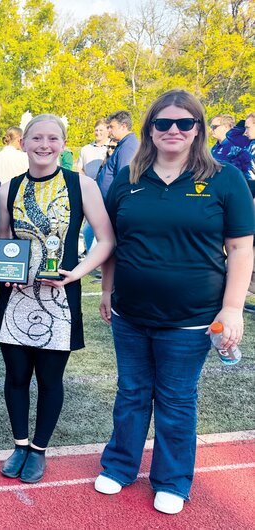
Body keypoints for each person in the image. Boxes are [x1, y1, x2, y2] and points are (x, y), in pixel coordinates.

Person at [94, 90, 254, 514]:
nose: (173, 131)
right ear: (150, 129)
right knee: (130, 392)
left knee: (176, 398)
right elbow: (112, 243)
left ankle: (172, 479)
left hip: (192, 318)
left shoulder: (225, 179)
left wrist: (232, 307)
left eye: (184, 123)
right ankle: (121, 465)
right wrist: (107, 289)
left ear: (198, 129)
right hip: (130, 312)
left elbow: (240, 248)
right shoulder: (129, 177)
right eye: (163, 123)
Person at [0, 114, 114, 484]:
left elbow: (105, 240)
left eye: (52, 138)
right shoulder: (7, 188)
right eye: (36, 138)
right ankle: (20, 444)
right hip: (17, 299)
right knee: (16, 376)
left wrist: (79, 272)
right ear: (23, 143)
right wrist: (4, 274)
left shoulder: (81, 185)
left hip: (59, 300)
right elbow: (4, 241)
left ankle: (39, 450)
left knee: (50, 379)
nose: (44, 145)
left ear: (63, 143)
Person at [76, 119, 111, 252]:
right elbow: (79, 168)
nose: (98, 133)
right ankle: (90, 253)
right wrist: (86, 184)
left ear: (108, 131)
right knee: (88, 226)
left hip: (106, 193)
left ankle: (98, 255)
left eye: (101, 130)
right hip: (89, 192)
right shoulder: (86, 149)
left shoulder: (112, 147)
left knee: (102, 226)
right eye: (96, 130)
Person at [97, 110, 138, 199]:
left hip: (113, 202)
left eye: (112, 127)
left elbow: (124, 178)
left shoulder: (128, 146)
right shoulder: (123, 144)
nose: (109, 130)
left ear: (123, 126)